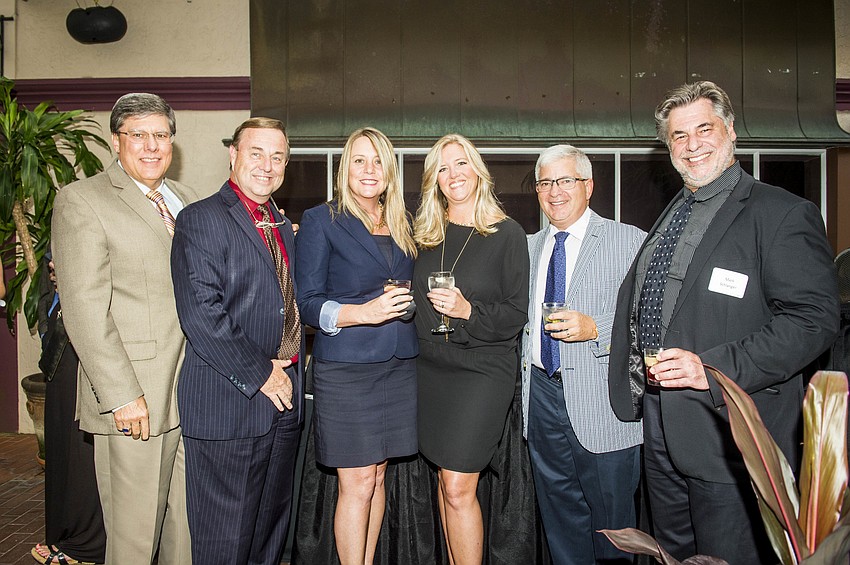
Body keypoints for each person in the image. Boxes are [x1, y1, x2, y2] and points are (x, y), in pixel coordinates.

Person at [608, 81, 840, 564]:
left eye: (704, 129)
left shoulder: (781, 213)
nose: (692, 145)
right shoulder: (673, 213)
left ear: (730, 131)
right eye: (679, 135)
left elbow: (814, 320)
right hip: (663, 430)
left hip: (733, 437)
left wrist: (711, 369)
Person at [52, 93, 200, 565]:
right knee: (134, 542)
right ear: (117, 141)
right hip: (137, 399)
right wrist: (121, 395)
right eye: (138, 134)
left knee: (186, 535)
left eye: (161, 135)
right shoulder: (82, 200)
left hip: (191, 393)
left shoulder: (186, 200)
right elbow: (84, 309)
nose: (152, 146)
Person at [170, 117, 304, 565]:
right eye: (256, 153)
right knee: (225, 544)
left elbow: (285, 303)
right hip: (229, 406)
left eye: (278, 157)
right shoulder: (201, 219)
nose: (267, 165)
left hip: (283, 407)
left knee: (268, 539)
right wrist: (263, 374)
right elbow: (202, 314)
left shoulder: (280, 225)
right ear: (233, 155)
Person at [295, 127, 418, 564]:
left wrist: (409, 304)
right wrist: (364, 312)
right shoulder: (320, 220)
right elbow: (308, 304)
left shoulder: (403, 222)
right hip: (347, 370)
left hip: (399, 366)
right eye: (359, 160)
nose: (369, 170)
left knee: (379, 476)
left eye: (378, 161)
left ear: (390, 171)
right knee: (358, 481)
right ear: (344, 168)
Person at [521, 144, 645, 564]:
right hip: (541, 398)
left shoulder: (629, 242)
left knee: (614, 528)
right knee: (560, 520)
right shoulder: (528, 247)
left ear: (588, 186)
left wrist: (597, 329)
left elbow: (652, 318)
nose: (554, 191)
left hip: (603, 405)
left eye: (565, 180)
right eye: (545, 183)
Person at [412, 133, 530, 565]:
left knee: (459, 486)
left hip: (482, 371)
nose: (453, 174)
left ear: (478, 170)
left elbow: (515, 313)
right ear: (434, 180)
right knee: (446, 482)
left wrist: (466, 310)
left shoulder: (507, 234)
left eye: (461, 163)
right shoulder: (424, 235)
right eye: (442, 168)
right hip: (430, 368)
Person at [31, 254, 107, 565]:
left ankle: (84, 545)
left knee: (81, 450)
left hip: (87, 346)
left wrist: (73, 278)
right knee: (62, 447)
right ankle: (64, 536)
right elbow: (46, 289)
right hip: (61, 351)